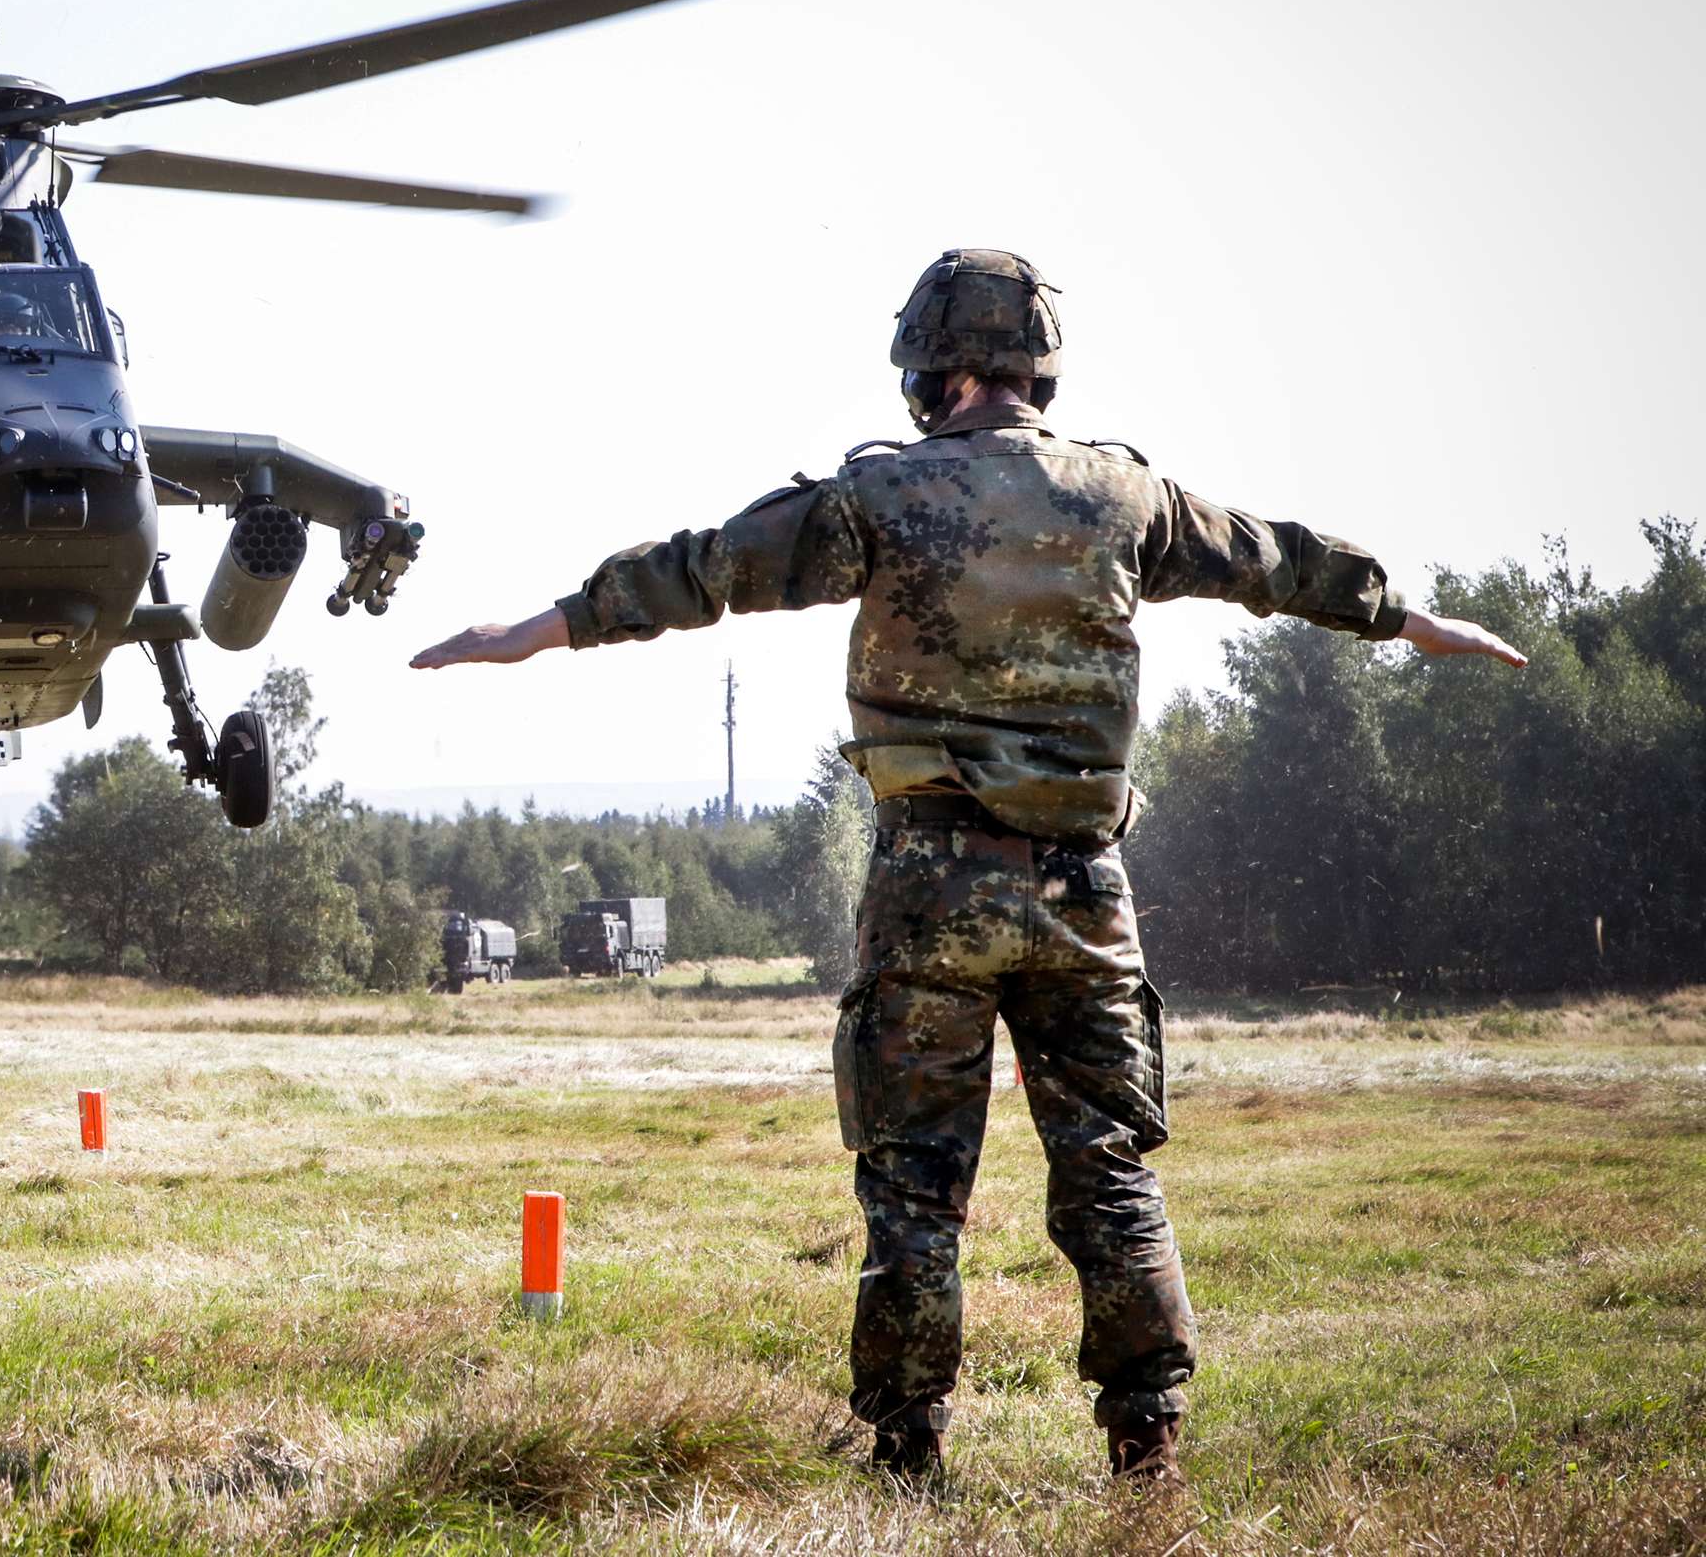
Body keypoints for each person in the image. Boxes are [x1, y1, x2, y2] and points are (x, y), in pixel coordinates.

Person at [409, 249, 1524, 1487]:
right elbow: (1270, 559)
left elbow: (705, 570)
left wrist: (535, 630)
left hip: (930, 892)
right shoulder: (1122, 497)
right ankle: (1145, 1445)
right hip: (1082, 895)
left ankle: (905, 1450)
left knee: (911, 1188)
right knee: (1106, 1172)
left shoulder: (877, 502)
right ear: (1037, 363)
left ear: (925, 368)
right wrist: (1408, 617)